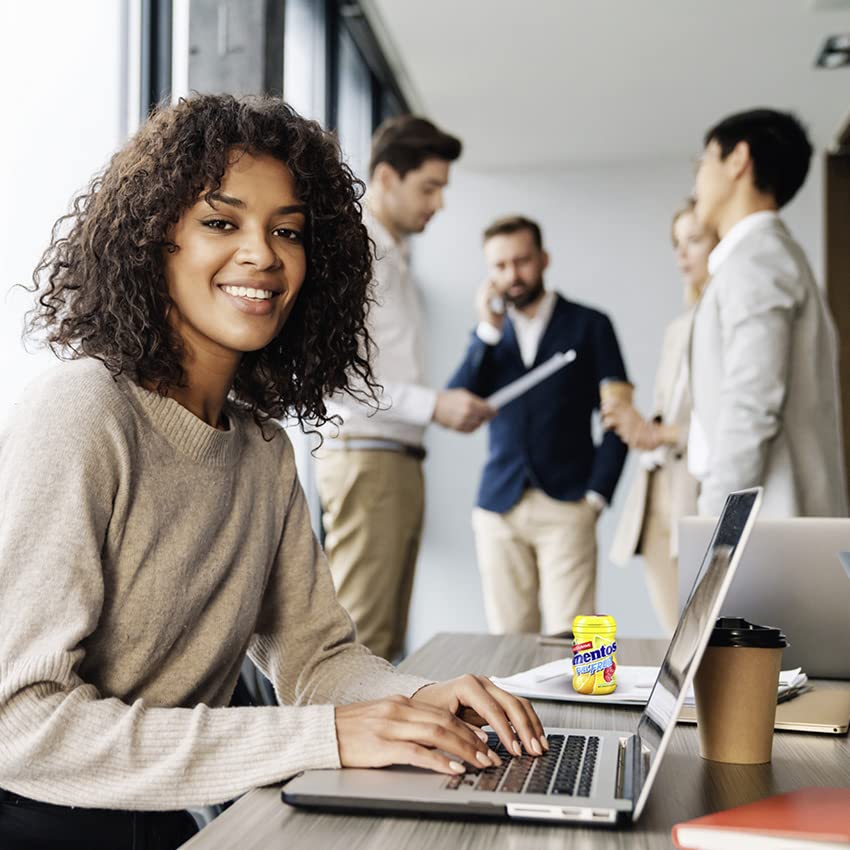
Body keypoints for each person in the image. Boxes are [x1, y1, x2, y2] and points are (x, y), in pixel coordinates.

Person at [0, 94, 546, 850]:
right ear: (156, 240)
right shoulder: (83, 412)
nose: (263, 254)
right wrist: (320, 738)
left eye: (288, 231)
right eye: (221, 223)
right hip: (41, 825)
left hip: (166, 821)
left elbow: (316, 657)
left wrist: (420, 698)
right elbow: (18, 723)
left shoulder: (261, 449)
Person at [315, 115, 494, 662]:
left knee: (384, 641)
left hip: (393, 459)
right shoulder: (361, 251)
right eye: (429, 187)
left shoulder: (393, 254)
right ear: (387, 178)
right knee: (362, 641)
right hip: (370, 458)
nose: (438, 203)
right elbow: (337, 377)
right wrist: (433, 404)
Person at [447, 215, 629, 635]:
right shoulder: (489, 337)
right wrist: (486, 332)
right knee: (508, 641)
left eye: (522, 261)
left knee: (572, 638)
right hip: (499, 506)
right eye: (500, 266)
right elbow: (455, 404)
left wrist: (597, 496)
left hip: (568, 503)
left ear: (543, 259)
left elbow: (619, 416)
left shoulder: (590, 325)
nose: (512, 275)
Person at [689, 108, 847, 518]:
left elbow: (752, 402)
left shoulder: (758, 260)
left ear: (738, 159)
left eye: (704, 162)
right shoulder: (767, 256)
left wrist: (713, 517)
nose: (697, 180)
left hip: (767, 521)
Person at [605, 201, 717, 634]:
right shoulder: (679, 327)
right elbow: (669, 415)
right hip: (655, 499)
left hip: (697, 493)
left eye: (694, 240)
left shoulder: (726, 322)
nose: (682, 254)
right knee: (677, 638)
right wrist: (637, 425)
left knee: (705, 638)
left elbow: (729, 424)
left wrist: (657, 432)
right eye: (676, 244)